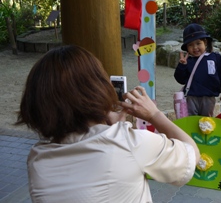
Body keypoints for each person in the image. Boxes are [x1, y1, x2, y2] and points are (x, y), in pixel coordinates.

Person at [16, 45, 200, 203]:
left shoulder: (37, 159)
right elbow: (191, 156)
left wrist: (105, 127)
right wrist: (154, 114)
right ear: (96, 88)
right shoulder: (130, 143)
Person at [174, 23, 221, 116]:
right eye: (191, 45)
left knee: (206, 123)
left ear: (205, 42)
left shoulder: (215, 58)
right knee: (191, 122)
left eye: (198, 43)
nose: (195, 47)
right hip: (191, 97)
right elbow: (180, 79)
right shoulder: (187, 61)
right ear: (187, 47)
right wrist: (182, 66)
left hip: (209, 98)